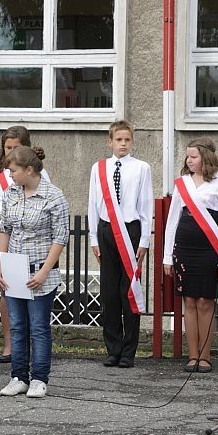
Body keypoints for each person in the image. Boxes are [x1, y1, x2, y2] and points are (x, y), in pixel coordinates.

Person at [0, 146, 69, 399]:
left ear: (29, 170)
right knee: (17, 326)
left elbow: (60, 237)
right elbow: (4, 228)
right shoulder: (11, 194)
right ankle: (19, 377)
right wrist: (1, 265)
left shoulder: (54, 196)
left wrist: (44, 272)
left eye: (14, 171)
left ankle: (39, 378)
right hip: (14, 268)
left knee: (39, 327)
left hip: (40, 271)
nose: (10, 176)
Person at [163, 138, 218, 374]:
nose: (188, 160)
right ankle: (192, 356)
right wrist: (167, 257)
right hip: (184, 249)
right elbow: (172, 221)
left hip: (209, 251)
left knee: (205, 302)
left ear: (205, 157)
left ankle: (205, 356)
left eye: (193, 156)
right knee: (189, 301)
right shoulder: (182, 183)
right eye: (187, 157)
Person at [88, 120, 153, 369]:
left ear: (132, 141)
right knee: (110, 294)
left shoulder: (141, 168)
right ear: (110, 141)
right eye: (119, 140)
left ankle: (129, 351)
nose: (123, 144)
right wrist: (94, 238)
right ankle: (112, 349)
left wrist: (144, 240)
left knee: (129, 293)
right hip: (106, 230)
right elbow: (93, 204)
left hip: (130, 230)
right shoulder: (99, 168)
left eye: (127, 140)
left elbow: (146, 206)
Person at [0, 126, 50, 364]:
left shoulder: (40, 175)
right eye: (8, 147)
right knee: (7, 291)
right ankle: (10, 343)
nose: (11, 151)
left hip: (30, 241)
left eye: (16, 147)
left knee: (31, 291)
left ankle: (32, 343)